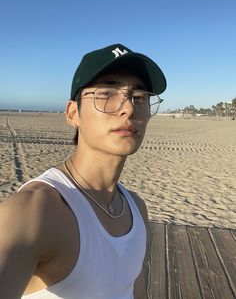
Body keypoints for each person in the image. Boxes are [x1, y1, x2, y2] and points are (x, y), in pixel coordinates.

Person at [0, 43, 166, 299]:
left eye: (139, 97)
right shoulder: (35, 211)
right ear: (73, 113)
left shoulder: (136, 209)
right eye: (107, 93)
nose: (129, 108)